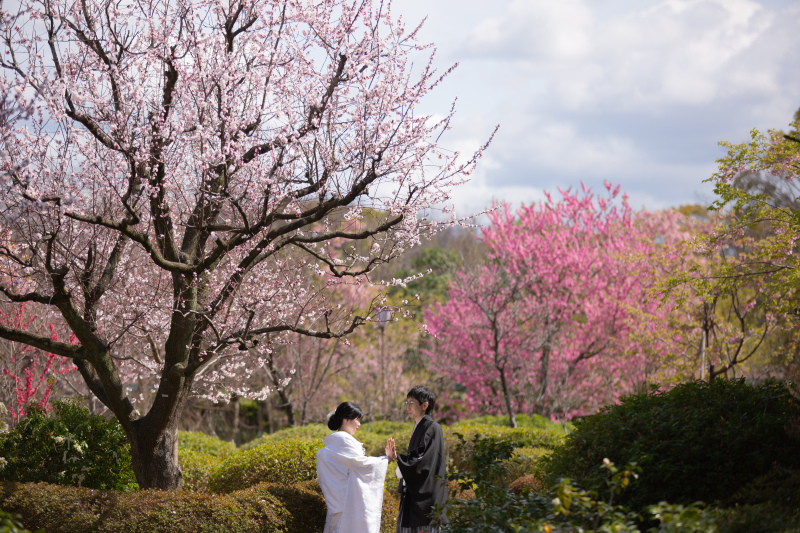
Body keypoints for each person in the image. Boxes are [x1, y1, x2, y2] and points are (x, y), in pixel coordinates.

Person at [316, 401, 393, 533]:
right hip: (348, 506)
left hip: (337, 506)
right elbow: (362, 465)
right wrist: (387, 459)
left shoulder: (331, 444)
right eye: (357, 419)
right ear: (346, 419)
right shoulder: (344, 441)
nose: (359, 424)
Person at [386, 386, 448, 533]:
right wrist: (398, 459)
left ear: (424, 405)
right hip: (415, 492)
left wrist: (398, 459)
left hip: (427, 495)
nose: (408, 407)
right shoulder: (419, 426)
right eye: (406, 403)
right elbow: (417, 457)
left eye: (411, 403)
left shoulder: (433, 427)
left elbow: (424, 460)